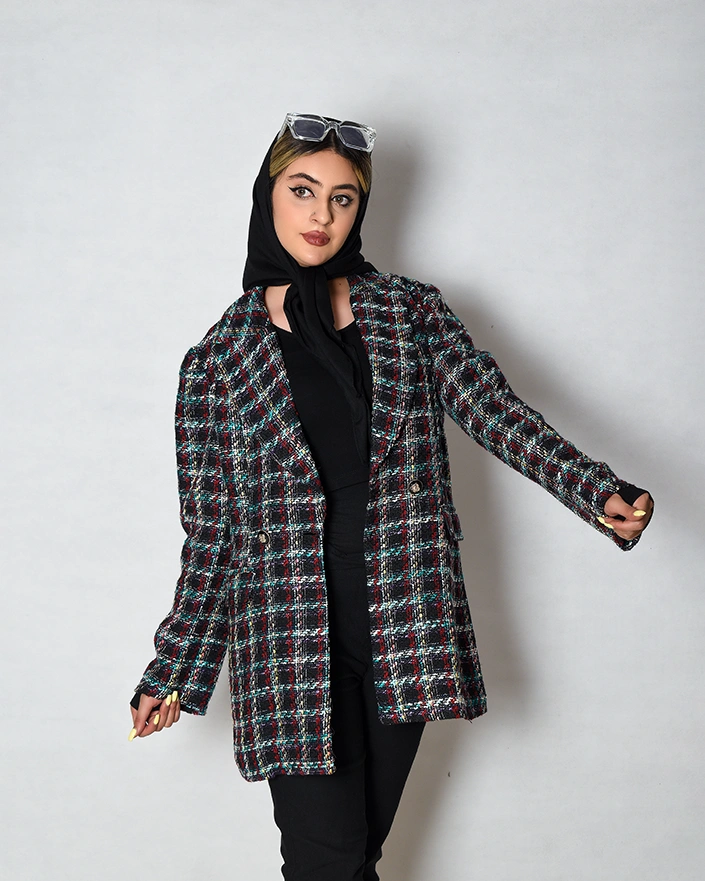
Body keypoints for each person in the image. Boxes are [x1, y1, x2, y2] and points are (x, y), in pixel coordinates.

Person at [128, 113, 653, 880]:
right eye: (302, 190)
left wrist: (594, 490)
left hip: (402, 618)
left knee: (351, 857)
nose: (321, 214)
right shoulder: (216, 362)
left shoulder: (409, 313)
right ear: (266, 196)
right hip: (287, 640)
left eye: (342, 198)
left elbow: (492, 411)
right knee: (327, 859)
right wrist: (173, 669)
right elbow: (213, 535)